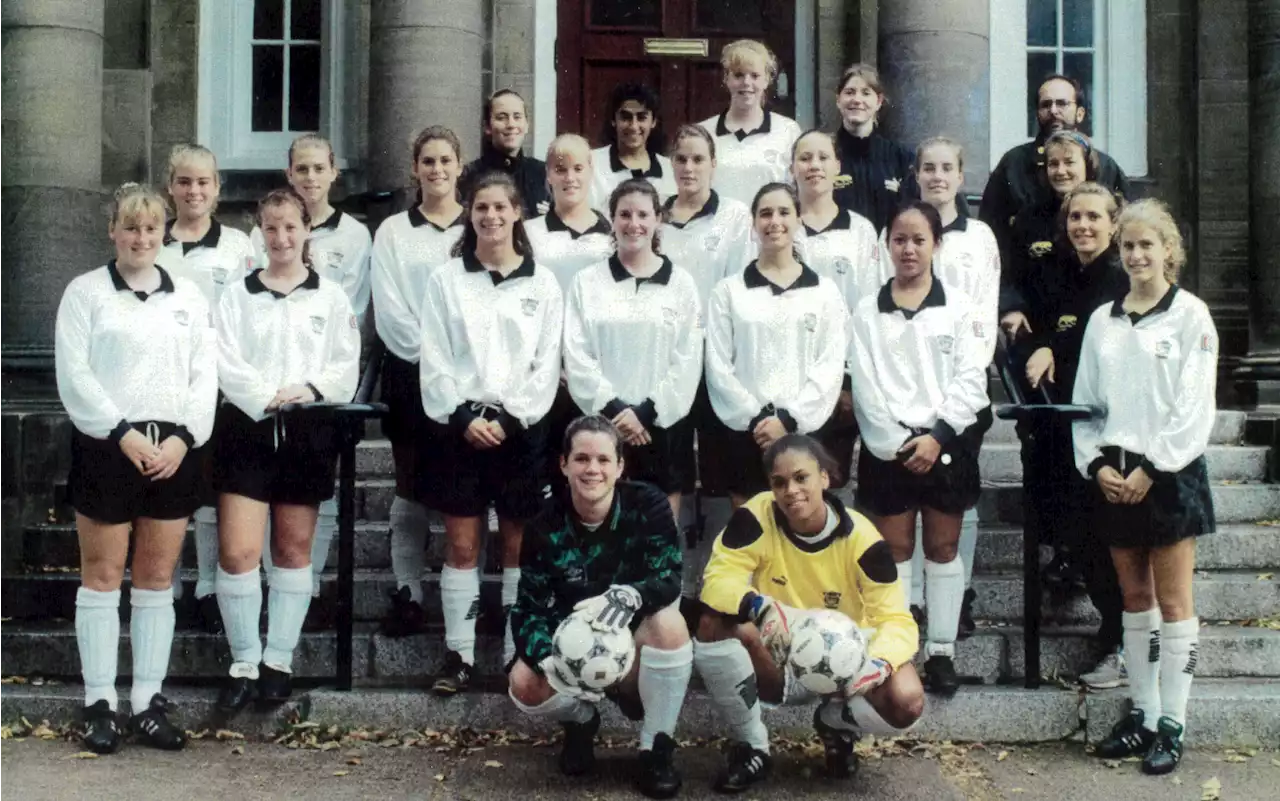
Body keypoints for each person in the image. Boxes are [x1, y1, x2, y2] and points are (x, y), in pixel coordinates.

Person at [55, 183, 217, 754]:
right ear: (113, 232)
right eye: (131, 228)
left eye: (151, 229)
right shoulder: (85, 293)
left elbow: (205, 374)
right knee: (101, 580)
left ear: (163, 232)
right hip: (106, 446)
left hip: (172, 451)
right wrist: (121, 433)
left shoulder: (188, 298)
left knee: (154, 582)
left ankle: (147, 702)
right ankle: (99, 702)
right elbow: (74, 374)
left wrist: (183, 437)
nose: (142, 238)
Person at [1073, 199, 1217, 776]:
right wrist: (1097, 465)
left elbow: (1192, 404)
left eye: (1146, 246)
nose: (1136, 256)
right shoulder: (1103, 320)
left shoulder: (1191, 316)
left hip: (1169, 474)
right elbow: (1087, 404)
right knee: (1135, 601)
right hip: (1115, 474)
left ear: (1168, 252)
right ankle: (1144, 712)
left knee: (1175, 603)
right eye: (1128, 246)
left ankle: (1173, 724)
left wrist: (1152, 469)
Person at [693, 435, 922, 791]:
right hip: (781, 650)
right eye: (779, 482)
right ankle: (752, 746)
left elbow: (896, 620)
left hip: (845, 657)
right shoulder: (757, 515)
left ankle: (836, 722)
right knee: (711, 624)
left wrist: (880, 663)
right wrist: (760, 606)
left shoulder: (863, 538)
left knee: (907, 701)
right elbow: (716, 579)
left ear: (825, 478)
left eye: (802, 478)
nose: (791, 490)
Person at [212, 189, 359, 712]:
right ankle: (244, 661)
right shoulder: (237, 295)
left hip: (306, 429)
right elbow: (224, 356)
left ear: (306, 231)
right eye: (271, 228)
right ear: (260, 232)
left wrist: (310, 389)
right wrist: (261, 397)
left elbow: (345, 363)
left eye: (291, 228)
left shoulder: (330, 296)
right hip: (247, 429)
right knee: (238, 553)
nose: (281, 238)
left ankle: (278, 661)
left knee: (293, 552)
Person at [419, 172, 563, 694]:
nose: (491, 217)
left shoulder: (542, 284)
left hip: (519, 429)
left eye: (501, 207)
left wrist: (507, 418)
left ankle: (512, 653)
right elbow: (433, 357)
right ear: (469, 213)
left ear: (518, 213)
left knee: (517, 549)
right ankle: (457, 656)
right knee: (462, 546)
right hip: (460, 429)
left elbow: (545, 365)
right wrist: (462, 417)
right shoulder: (446, 280)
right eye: (481, 207)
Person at [848, 202, 991, 697]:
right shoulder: (867, 312)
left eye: (919, 240)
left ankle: (942, 651)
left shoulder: (961, 307)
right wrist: (897, 442)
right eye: (899, 240)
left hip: (945, 441)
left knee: (943, 548)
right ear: (886, 245)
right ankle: (901, 647)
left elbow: (972, 379)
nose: (908, 250)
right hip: (890, 447)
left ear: (936, 245)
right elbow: (865, 386)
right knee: (897, 548)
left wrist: (937, 436)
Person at [508, 416, 690, 798]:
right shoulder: (544, 524)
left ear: (620, 466)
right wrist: (549, 659)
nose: (593, 469)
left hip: (634, 634)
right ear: (563, 464)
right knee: (524, 683)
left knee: (671, 624)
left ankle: (655, 749)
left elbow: (670, 576)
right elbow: (527, 608)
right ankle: (580, 721)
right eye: (582, 458)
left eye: (604, 460)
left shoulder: (649, 504)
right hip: (573, 638)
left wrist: (633, 593)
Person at [1011, 182, 1129, 688]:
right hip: (1060, 429)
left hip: (1107, 430)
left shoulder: (1121, 278)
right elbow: (1034, 322)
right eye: (1075, 216)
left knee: (1108, 539)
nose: (1083, 225)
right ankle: (1114, 632)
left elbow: (1105, 344)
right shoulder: (1055, 270)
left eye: (1094, 217)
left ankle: (1123, 641)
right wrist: (1036, 339)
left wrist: (1057, 351)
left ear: (1112, 223)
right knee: (1074, 532)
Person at [249, 133, 372, 617]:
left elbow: (355, 312)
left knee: (313, 494)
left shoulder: (356, 235)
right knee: (264, 499)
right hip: (269, 390)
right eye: (301, 169)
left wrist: (319, 381)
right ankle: (267, 587)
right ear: (289, 174)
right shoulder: (266, 234)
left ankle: (312, 585)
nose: (310, 177)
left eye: (319, 168)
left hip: (322, 385)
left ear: (333, 172)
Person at [889, 137, 1001, 636]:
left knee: (954, 502)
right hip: (909, 390)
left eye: (946, 168)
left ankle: (957, 599)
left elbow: (984, 310)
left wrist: (965, 389)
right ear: (916, 174)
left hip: (962, 390)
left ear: (961, 175)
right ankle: (910, 601)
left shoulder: (980, 237)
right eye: (928, 167)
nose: (937, 176)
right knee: (906, 503)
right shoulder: (898, 232)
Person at [371, 126, 467, 635]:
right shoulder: (392, 233)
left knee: (458, 492)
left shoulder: (477, 225)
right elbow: (390, 313)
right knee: (409, 487)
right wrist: (434, 358)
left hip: (464, 379)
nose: (436, 170)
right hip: (411, 375)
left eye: (445, 160)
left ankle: (461, 606)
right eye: (427, 161)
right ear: (415, 168)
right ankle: (408, 593)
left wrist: (456, 363)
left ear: (459, 165)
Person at [563, 179, 703, 519]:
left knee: (659, 534)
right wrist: (614, 410)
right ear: (611, 219)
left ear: (658, 219)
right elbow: (577, 354)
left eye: (643, 214)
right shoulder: (587, 282)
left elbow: (688, 359)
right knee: (603, 528)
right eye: (624, 214)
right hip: (602, 428)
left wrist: (647, 413)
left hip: (663, 426)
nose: (633, 223)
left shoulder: (681, 284)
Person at [703, 183, 848, 508]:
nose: (774, 221)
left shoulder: (825, 293)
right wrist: (758, 420)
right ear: (753, 225)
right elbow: (718, 366)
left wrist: (789, 420)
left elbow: (829, 366)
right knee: (750, 536)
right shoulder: (728, 292)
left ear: (798, 221)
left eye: (784, 212)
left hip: (804, 432)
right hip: (746, 434)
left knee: (802, 532)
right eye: (765, 213)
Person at [160, 144, 255, 634]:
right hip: (165, 387)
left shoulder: (239, 246)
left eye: (203, 182)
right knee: (171, 490)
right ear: (170, 186)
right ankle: (167, 588)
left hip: (223, 390)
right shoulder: (154, 242)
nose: (193, 191)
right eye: (184, 182)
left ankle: (210, 590)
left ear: (217, 188)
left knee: (215, 493)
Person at [1000, 130, 1102, 589]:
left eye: (1071, 164)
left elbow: (1086, 309)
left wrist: (1053, 347)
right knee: (1041, 446)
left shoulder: (1100, 235)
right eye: (1054, 164)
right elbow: (1015, 276)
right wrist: (1014, 310)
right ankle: (1052, 544)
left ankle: (1075, 552)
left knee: (1074, 458)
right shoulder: (1029, 222)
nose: (1061, 171)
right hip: (1037, 344)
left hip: (1077, 360)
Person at [791, 128, 878, 488]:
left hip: (838, 383)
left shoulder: (860, 231)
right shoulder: (780, 225)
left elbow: (867, 312)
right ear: (792, 166)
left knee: (830, 483)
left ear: (837, 166)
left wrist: (848, 381)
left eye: (823, 157)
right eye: (805, 158)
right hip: (787, 381)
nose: (814, 166)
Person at [981, 74, 1130, 263]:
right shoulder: (1013, 164)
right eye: (1046, 105)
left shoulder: (1106, 166)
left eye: (1062, 104)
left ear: (1080, 113)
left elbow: (1126, 228)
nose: (1053, 110)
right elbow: (991, 230)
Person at [660, 124, 757, 312]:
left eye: (698, 160)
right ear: (671, 162)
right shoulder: (655, 215)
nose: (688, 168)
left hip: (712, 333)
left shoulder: (734, 215)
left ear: (713, 164)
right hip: (665, 334)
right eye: (681, 159)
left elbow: (740, 285)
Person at [698, 40, 802, 207]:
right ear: (726, 78)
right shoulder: (703, 133)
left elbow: (799, 190)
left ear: (767, 80)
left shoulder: (788, 130)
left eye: (755, 76)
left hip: (771, 230)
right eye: (739, 75)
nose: (746, 83)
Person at [830, 64, 918, 233]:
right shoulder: (824, 155)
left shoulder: (901, 158)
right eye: (849, 92)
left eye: (866, 93)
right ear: (838, 100)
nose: (857, 99)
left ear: (878, 101)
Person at [525, 134, 614, 292]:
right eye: (560, 170)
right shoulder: (529, 232)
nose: (570, 178)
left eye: (578, 169)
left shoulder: (611, 230)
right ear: (548, 174)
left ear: (590, 171)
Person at [460, 89, 549, 219]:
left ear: (527, 124)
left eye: (517, 117)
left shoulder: (543, 173)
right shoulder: (469, 176)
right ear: (487, 127)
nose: (511, 124)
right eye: (502, 117)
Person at [590, 83, 676, 210]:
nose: (633, 126)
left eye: (642, 118)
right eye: (625, 117)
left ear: (653, 122)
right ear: (613, 120)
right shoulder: (591, 163)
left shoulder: (670, 170)